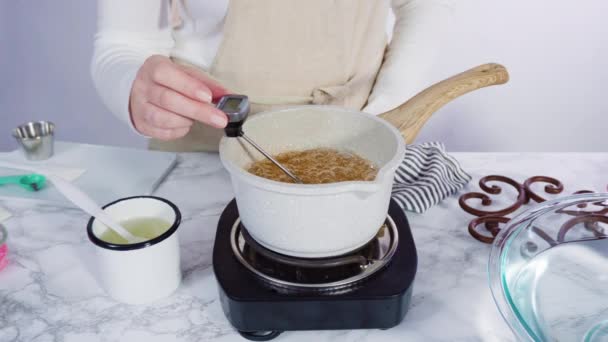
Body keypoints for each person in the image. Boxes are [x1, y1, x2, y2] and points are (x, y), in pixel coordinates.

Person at [91, 0, 453, 152]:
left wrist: (386, 108)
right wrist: (133, 91)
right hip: (205, 146)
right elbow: (124, 43)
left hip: (354, 133)